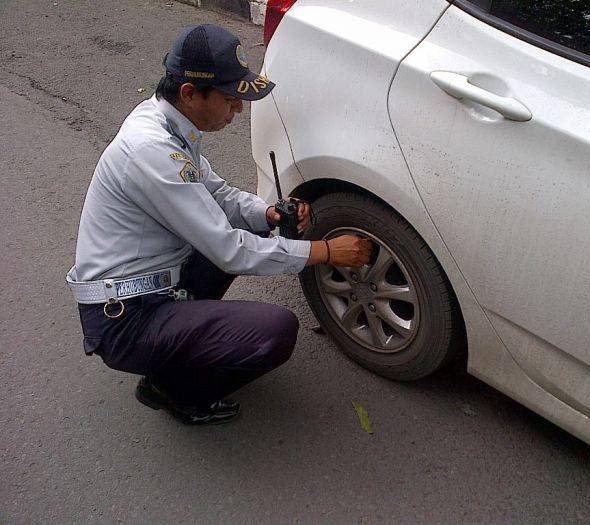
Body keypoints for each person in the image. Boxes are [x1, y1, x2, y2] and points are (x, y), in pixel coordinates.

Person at [66, 24, 373, 425]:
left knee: (253, 226)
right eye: (230, 99)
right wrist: (325, 252)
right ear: (191, 93)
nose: (239, 110)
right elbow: (229, 250)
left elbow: (216, 194)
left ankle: (182, 339)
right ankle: (174, 390)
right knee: (275, 331)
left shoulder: (169, 123)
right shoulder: (152, 150)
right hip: (124, 317)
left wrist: (268, 214)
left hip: (154, 281)